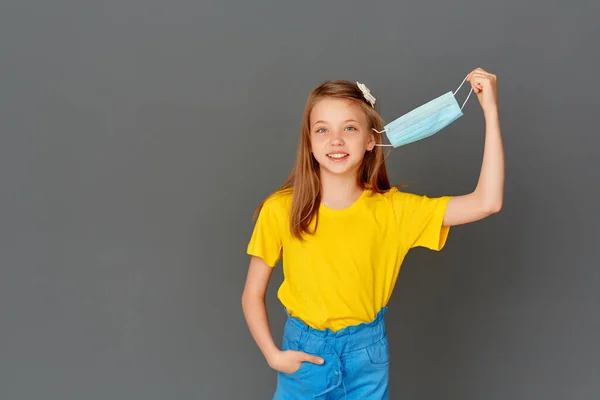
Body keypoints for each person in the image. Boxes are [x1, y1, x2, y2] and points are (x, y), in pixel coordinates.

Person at [241, 67, 504, 399]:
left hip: (366, 357)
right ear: (309, 141)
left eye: (349, 128)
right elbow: (252, 294)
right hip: (304, 356)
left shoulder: (394, 211)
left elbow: (487, 202)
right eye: (322, 130)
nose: (336, 140)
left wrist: (490, 112)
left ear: (370, 139)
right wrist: (273, 355)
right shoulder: (281, 209)